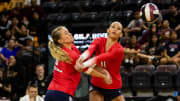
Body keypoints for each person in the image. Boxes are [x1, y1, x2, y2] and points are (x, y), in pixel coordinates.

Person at [45, 26, 112, 101]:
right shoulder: (70, 55)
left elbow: (85, 62)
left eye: (68, 31)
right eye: (66, 33)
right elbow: (87, 70)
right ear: (60, 41)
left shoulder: (71, 48)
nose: (70, 34)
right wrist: (104, 76)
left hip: (51, 92)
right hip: (62, 94)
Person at [75, 21, 126, 101]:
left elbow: (100, 58)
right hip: (97, 85)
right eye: (113, 27)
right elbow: (89, 51)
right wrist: (80, 59)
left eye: (118, 28)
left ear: (121, 34)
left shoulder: (119, 50)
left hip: (112, 86)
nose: (115, 29)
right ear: (108, 30)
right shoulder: (99, 40)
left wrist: (83, 65)